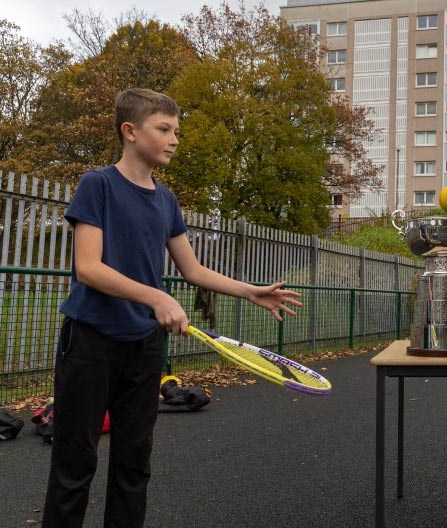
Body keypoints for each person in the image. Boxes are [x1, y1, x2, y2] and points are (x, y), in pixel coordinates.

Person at [42, 89, 304, 528]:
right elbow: (88, 267)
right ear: (130, 131)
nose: (174, 139)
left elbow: (194, 269)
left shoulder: (166, 200)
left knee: (134, 461)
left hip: (144, 345)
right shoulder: (98, 184)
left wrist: (250, 291)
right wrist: (157, 296)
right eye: (163, 129)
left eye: (176, 131)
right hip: (89, 340)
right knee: (75, 461)